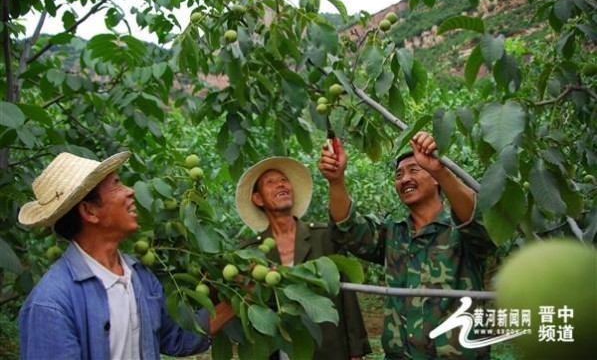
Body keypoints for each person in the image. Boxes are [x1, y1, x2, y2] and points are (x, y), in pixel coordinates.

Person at [18, 151, 235, 359]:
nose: (130, 190)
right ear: (89, 212)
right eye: (116, 185)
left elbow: (178, 338)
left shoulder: (138, 275)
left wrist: (239, 299)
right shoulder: (50, 304)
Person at [318, 132, 495, 360]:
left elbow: (479, 225)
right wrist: (336, 180)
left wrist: (440, 170)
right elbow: (348, 229)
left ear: (434, 179)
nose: (404, 179)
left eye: (414, 170)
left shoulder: (461, 232)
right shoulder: (392, 233)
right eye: (399, 174)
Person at [235, 157, 371, 360]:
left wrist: (356, 351)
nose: (280, 184)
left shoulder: (324, 237)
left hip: (327, 350)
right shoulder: (251, 252)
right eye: (270, 182)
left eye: (283, 180)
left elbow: (347, 297)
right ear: (258, 198)